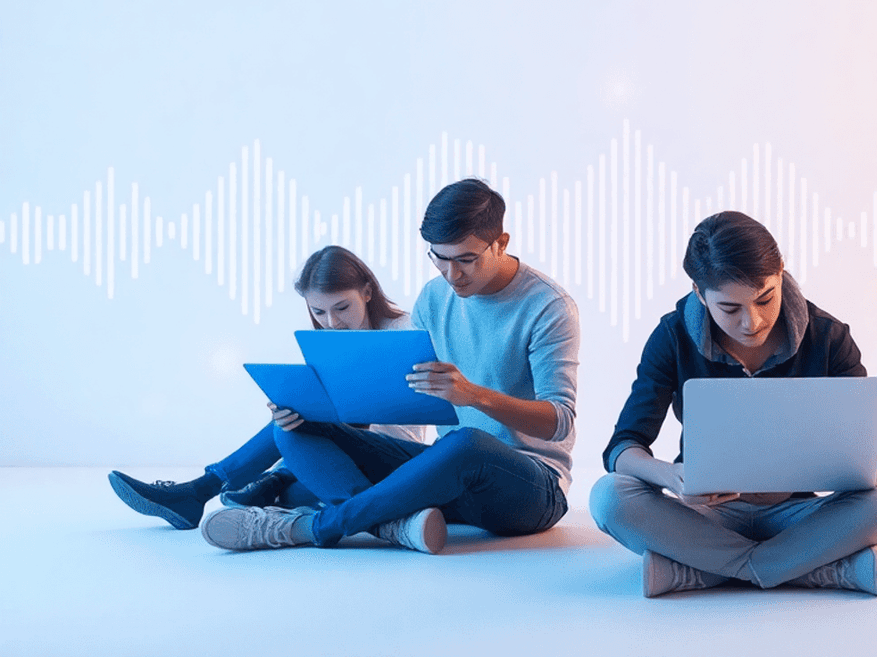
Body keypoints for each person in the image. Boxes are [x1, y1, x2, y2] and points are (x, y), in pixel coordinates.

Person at [198, 178, 580, 554]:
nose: (452, 275)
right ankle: (394, 525)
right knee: (294, 429)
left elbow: (558, 421)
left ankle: (307, 528)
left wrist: (474, 396)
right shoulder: (434, 296)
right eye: (440, 259)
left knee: (467, 443)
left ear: (501, 243)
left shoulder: (548, 307)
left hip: (532, 489)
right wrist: (324, 406)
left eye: (467, 259)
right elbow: (406, 396)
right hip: (454, 477)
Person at [590, 211, 877, 597]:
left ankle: (703, 571)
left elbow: (875, 457)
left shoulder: (829, 337)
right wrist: (672, 477)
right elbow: (623, 446)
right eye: (730, 309)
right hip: (707, 516)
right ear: (698, 293)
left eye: (765, 298)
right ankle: (814, 569)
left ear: (781, 273)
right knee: (608, 497)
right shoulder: (672, 336)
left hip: (799, 514)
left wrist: (804, 475)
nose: (752, 322)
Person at [107, 246, 425, 528]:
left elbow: (401, 415)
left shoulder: (402, 331)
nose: (332, 322)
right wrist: (296, 407)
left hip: (394, 456)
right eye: (318, 311)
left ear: (367, 292)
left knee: (289, 449)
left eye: (342, 307)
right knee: (288, 426)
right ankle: (267, 484)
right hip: (346, 455)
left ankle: (219, 487)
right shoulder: (330, 343)